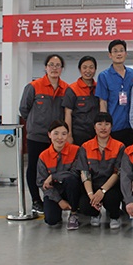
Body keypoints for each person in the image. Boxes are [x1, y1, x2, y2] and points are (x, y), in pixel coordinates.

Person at [19, 54, 69, 214]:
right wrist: (35, 123)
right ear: (46, 67)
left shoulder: (66, 89)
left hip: (58, 139)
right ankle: (36, 200)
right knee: (34, 168)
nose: (54, 68)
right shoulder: (33, 87)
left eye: (58, 65)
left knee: (56, 168)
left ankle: (53, 198)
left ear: (62, 68)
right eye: (51, 65)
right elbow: (24, 109)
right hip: (37, 136)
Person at [77, 112, 124, 229]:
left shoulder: (119, 146)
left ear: (111, 127)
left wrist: (102, 191)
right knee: (84, 205)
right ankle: (95, 214)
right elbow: (85, 173)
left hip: (111, 186)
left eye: (107, 124)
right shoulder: (85, 147)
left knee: (111, 199)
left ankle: (114, 216)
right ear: (94, 127)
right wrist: (91, 195)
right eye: (99, 124)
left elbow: (117, 173)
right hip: (92, 185)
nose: (103, 128)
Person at [36, 120, 81, 229]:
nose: (60, 138)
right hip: (54, 191)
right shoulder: (43, 156)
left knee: (71, 179)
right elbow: (42, 182)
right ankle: (57, 211)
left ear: (68, 135)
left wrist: (53, 176)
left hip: (72, 189)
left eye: (64, 134)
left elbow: (75, 174)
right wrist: (59, 201)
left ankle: (74, 213)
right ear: (49, 134)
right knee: (51, 220)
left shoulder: (76, 150)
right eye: (56, 133)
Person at [96, 39, 133, 146]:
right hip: (114, 125)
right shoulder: (104, 76)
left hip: (132, 126)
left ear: (126, 53)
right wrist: (104, 124)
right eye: (115, 51)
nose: (119, 54)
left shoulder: (132, 74)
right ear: (110, 55)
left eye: (121, 50)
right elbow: (103, 102)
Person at [63, 55, 99, 146]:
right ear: (80, 69)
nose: (88, 71)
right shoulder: (72, 89)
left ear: (95, 69)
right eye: (85, 67)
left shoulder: (99, 88)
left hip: (96, 134)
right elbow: (68, 113)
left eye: (91, 67)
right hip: (78, 133)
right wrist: (69, 135)